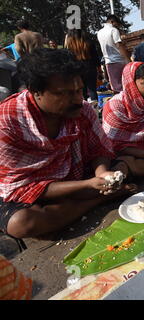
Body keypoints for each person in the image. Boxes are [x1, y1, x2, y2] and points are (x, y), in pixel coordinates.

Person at [0, 48, 133, 239]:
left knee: (121, 168)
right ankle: (94, 200)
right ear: (36, 91)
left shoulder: (83, 110)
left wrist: (102, 173)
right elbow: (21, 187)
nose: (79, 99)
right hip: (30, 190)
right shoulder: (7, 122)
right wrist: (88, 185)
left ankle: (89, 195)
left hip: (75, 173)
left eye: (79, 90)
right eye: (65, 93)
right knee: (21, 224)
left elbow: (99, 148)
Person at [65, 29, 101, 102]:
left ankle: (84, 109)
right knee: (92, 90)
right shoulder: (88, 43)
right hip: (90, 68)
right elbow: (96, 57)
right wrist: (99, 70)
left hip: (77, 70)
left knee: (82, 92)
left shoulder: (70, 46)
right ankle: (95, 111)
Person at [97, 15, 130, 93]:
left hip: (109, 63)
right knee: (125, 86)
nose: (117, 27)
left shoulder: (99, 32)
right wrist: (127, 60)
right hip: (119, 61)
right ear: (112, 22)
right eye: (117, 24)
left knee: (115, 88)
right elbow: (119, 45)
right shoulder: (113, 30)